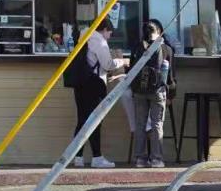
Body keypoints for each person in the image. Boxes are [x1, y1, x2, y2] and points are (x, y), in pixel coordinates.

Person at [70, 18, 126, 168]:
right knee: (95, 121)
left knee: (82, 120)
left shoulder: (83, 36)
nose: (109, 37)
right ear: (105, 29)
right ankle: (97, 157)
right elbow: (107, 64)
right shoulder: (99, 41)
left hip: (80, 83)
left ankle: (78, 157)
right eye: (110, 33)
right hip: (94, 84)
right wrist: (122, 62)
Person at [129, 20, 175, 168]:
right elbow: (170, 76)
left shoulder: (137, 47)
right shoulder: (166, 49)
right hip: (157, 90)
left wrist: (133, 89)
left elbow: (131, 69)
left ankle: (140, 159)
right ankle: (156, 159)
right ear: (159, 31)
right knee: (156, 124)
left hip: (139, 91)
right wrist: (171, 94)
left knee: (140, 124)